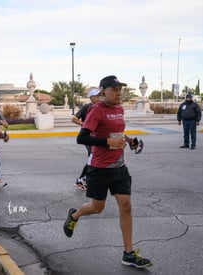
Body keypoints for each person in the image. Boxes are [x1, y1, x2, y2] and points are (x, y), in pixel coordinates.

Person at [63, 75, 153, 269]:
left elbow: (117, 132)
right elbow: (82, 138)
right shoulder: (96, 110)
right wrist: (107, 142)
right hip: (99, 168)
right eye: (115, 89)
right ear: (103, 91)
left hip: (119, 166)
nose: (119, 92)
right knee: (97, 207)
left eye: (120, 89)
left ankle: (128, 254)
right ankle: (74, 216)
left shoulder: (120, 109)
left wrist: (128, 140)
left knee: (126, 206)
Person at [71, 88, 101, 190]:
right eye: (96, 96)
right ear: (91, 98)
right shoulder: (87, 107)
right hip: (87, 136)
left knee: (94, 158)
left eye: (99, 96)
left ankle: (87, 179)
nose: (98, 98)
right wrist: (84, 124)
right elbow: (74, 119)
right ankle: (81, 180)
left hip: (97, 137)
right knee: (92, 157)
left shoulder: (100, 107)